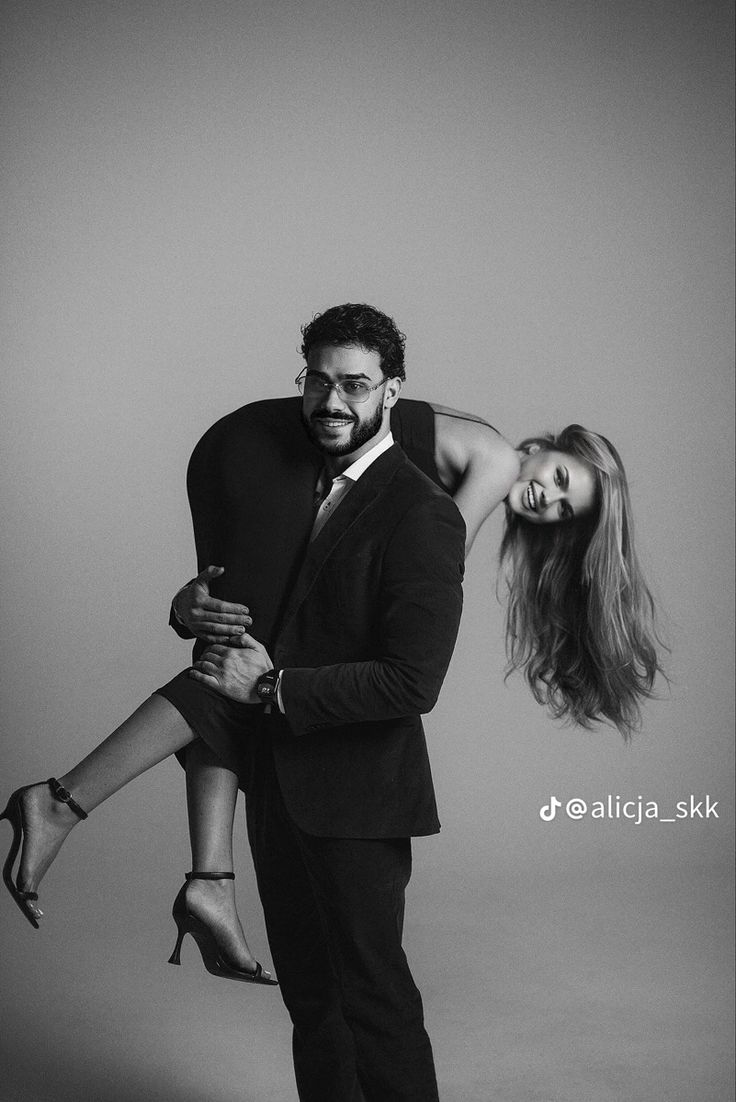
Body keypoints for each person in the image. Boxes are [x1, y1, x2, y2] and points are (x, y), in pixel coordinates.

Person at [2, 306, 663, 1082]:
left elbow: (395, 632)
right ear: (537, 449)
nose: (543, 496)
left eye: (563, 505)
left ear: (388, 391)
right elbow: (411, 572)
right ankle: (172, 860)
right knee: (232, 649)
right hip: (251, 467)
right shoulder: (484, 461)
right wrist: (200, 619)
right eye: (556, 477)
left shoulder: (406, 498)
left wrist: (245, 653)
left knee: (240, 654)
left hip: (341, 777)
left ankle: (172, 860)